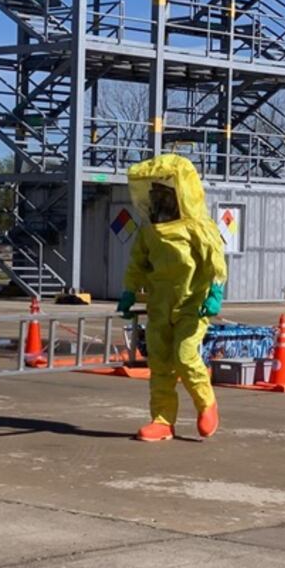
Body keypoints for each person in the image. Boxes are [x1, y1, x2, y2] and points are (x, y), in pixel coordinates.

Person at [116, 154, 228, 442]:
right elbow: (137, 262)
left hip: (193, 303)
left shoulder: (198, 226)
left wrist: (215, 292)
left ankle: (206, 404)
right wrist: (129, 291)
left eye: (164, 192)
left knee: (185, 355)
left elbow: (215, 263)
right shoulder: (150, 230)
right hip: (159, 304)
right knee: (160, 362)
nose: (157, 199)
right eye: (154, 192)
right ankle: (163, 420)